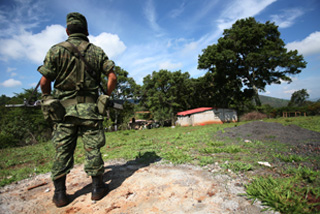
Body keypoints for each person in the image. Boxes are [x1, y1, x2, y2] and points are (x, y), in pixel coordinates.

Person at [38, 12, 117, 207]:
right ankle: (98, 189)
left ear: (67, 30)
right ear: (87, 31)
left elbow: (44, 81)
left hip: (64, 113)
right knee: (92, 148)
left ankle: (60, 195)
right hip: (90, 110)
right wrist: (105, 96)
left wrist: (47, 98)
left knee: (62, 150)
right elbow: (112, 77)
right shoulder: (97, 51)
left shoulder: (55, 50)